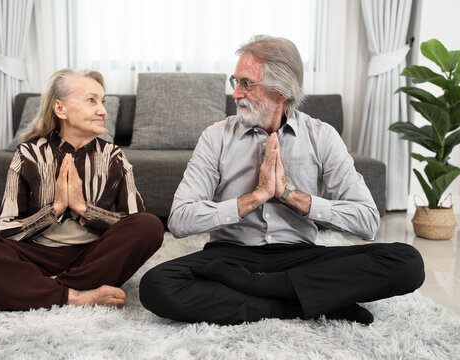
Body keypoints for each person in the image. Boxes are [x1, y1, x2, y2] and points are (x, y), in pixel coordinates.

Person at [139, 35, 424, 326]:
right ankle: (300, 304)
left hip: (299, 257)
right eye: (234, 81)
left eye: (246, 83)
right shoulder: (216, 136)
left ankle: (261, 291)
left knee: (407, 262)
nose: (236, 94)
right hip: (231, 258)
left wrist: (291, 196)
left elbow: (367, 222)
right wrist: (255, 197)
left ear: (281, 91)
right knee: (156, 286)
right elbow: (180, 220)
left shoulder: (321, 136)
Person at [0, 68, 164, 311]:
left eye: (102, 102)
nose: (103, 111)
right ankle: (76, 295)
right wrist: (53, 211)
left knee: (150, 225)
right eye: (91, 100)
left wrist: (85, 210)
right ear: (60, 108)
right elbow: (3, 228)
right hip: (34, 256)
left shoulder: (114, 156)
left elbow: (134, 222)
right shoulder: (28, 154)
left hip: (93, 258)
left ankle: (37, 289)